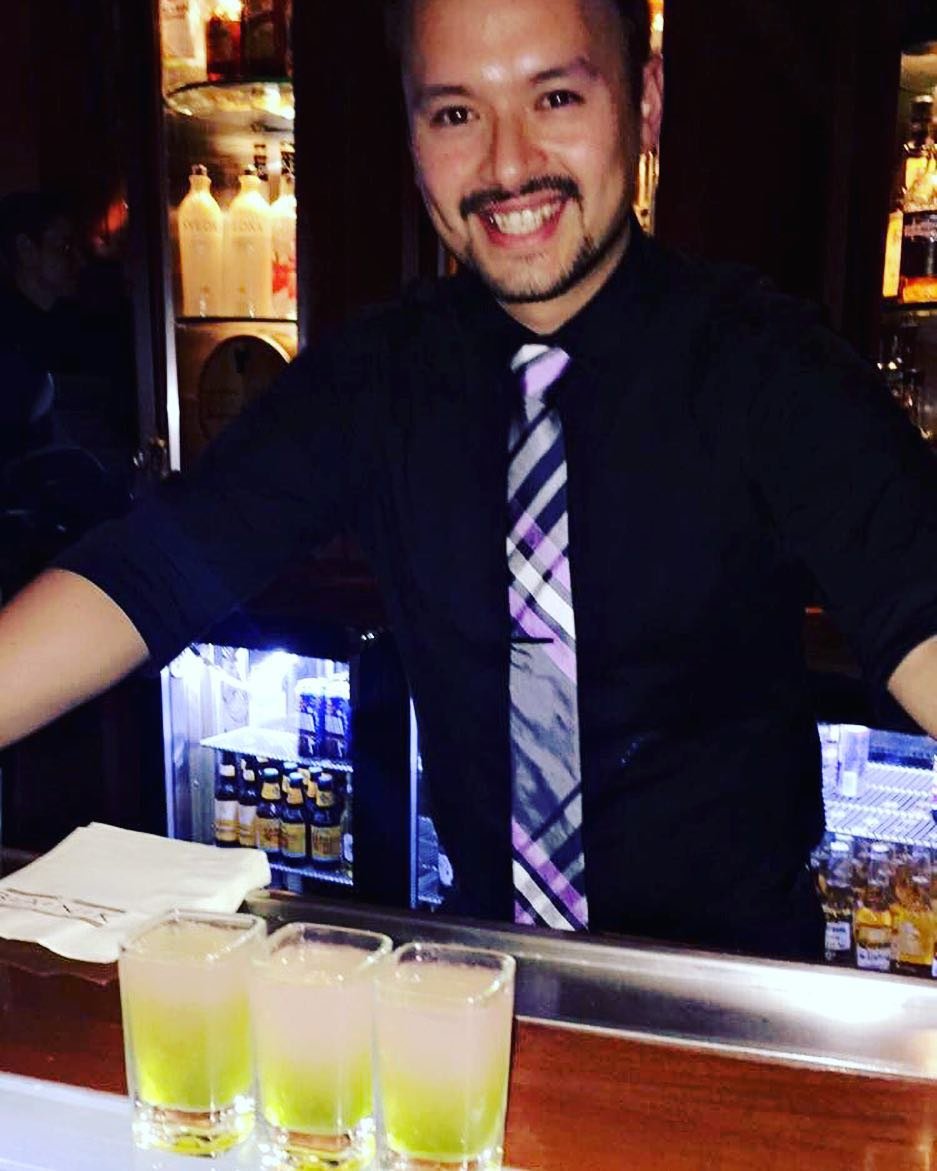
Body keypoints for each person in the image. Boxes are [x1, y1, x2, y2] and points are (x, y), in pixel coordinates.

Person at [1, 0, 937, 959]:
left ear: (644, 105)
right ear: (411, 134)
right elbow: (145, 574)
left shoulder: (771, 368)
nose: (505, 164)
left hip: (739, 1008)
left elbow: (918, 612)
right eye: (455, 113)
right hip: (481, 982)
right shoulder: (376, 379)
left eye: (556, 96)